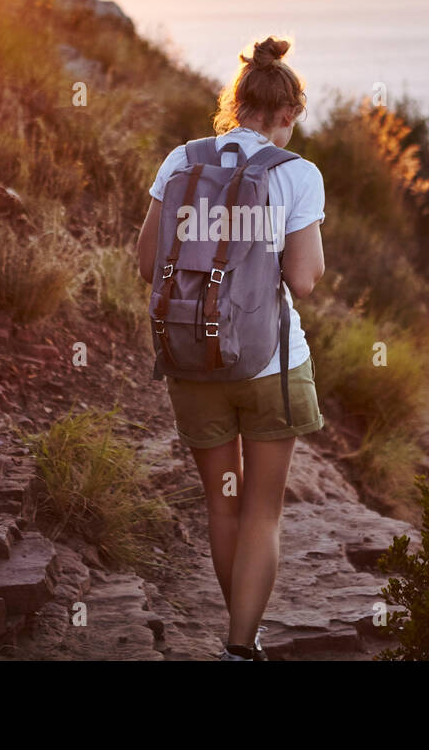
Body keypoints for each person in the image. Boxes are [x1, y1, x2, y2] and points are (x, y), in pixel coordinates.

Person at [136, 35, 326, 661]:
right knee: (262, 515)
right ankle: (241, 643)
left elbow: (146, 261)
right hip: (270, 362)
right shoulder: (296, 174)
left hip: (191, 360)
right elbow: (302, 279)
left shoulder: (181, 161)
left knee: (223, 507)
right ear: (289, 113)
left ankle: (242, 633)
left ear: (234, 102)